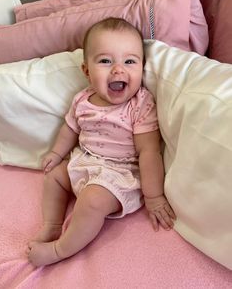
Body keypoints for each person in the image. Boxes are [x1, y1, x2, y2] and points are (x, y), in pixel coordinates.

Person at [27, 17, 176, 267]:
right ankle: (52, 225)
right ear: (86, 71)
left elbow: (149, 151)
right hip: (84, 160)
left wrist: (154, 196)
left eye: (129, 61)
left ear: (142, 67)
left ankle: (59, 250)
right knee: (53, 176)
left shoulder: (140, 104)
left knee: (93, 201)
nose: (118, 69)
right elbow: (69, 129)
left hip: (119, 173)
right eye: (106, 61)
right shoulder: (82, 100)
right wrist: (56, 152)